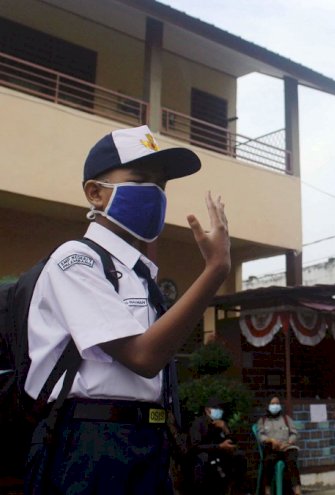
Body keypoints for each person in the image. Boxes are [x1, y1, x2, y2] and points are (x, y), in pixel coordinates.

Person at [24, 124, 231, 494]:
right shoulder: (76, 260)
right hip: (92, 442)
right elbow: (142, 356)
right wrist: (215, 271)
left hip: (145, 438)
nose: (154, 193)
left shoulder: (139, 274)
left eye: (161, 185)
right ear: (95, 193)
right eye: (140, 179)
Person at [187, 398, 247, 495]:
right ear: (207, 410)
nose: (219, 411)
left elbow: (232, 442)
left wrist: (226, 429)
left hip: (219, 454)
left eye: (220, 409)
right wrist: (219, 446)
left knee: (239, 457)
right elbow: (195, 446)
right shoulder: (198, 423)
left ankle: (235, 490)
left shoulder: (221, 423)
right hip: (204, 455)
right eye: (216, 408)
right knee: (202, 459)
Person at [256, 396, 302, 495]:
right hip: (272, 448)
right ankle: (267, 491)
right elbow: (260, 436)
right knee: (268, 462)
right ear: (268, 405)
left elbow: (295, 434)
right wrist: (271, 440)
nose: (275, 406)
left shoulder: (286, 419)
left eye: (277, 403)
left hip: (287, 447)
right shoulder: (263, 420)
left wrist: (288, 443)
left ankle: (297, 491)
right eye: (273, 404)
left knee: (291, 460)